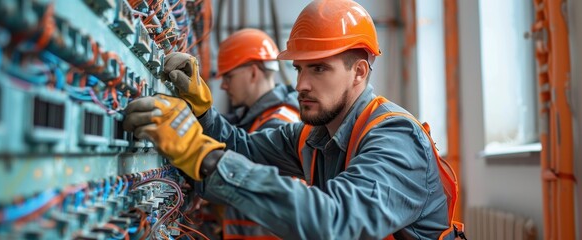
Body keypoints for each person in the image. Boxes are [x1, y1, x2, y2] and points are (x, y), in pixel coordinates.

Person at [123, 0, 461, 239]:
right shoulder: (313, 136)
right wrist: (201, 113)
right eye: (299, 68)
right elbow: (242, 148)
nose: (300, 85)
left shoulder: (395, 138)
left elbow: (336, 221)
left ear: (359, 72)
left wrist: (203, 156)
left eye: (319, 68)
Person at [206, 28, 301, 239]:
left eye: (228, 76)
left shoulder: (279, 122)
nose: (223, 85)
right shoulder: (256, 117)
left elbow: (239, 180)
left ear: (253, 72)